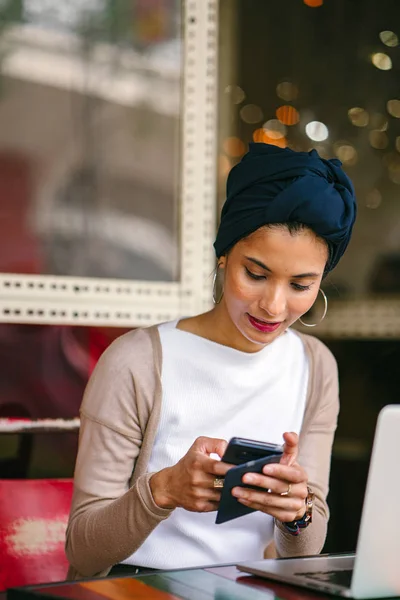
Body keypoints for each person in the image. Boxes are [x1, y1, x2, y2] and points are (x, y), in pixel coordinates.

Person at [65, 142, 357, 580]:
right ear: (224, 257)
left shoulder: (315, 366)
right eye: (255, 275)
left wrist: (296, 514)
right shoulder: (138, 362)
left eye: (301, 284)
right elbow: (83, 552)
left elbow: (304, 554)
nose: (274, 307)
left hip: (252, 589)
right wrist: (162, 491)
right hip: (138, 588)